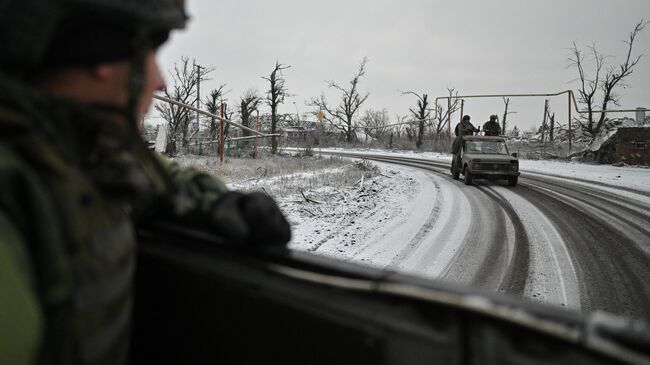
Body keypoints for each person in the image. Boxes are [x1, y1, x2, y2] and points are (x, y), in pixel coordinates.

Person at [0, 1, 290, 364]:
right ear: (99, 56)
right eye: (151, 54)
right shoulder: (16, 191)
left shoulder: (74, 148)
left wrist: (214, 202)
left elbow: (149, 173)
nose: (161, 82)